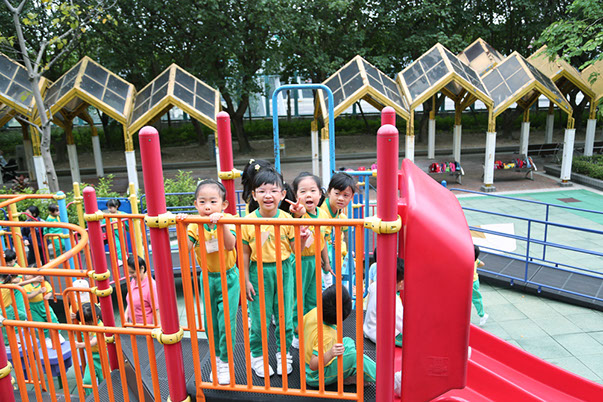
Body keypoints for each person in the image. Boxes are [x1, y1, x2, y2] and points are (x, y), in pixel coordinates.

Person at [242, 168, 309, 378]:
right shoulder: (247, 222)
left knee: (285, 317)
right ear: (254, 195)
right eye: (262, 191)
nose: (268, 195)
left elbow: (296, 249)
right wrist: (245, 279)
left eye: (273, 190)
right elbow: (244, 254)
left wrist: (302, 238)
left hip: (284, 270)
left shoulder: (288, 219)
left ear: (282, 194)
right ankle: (257, 356)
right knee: (259, 319)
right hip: (258, 271)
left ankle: (283, 353)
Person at [182, 179, 239, 385]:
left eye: (213, 202)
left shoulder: (229, 219)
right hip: (207, 278)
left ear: (224, 204)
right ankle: (216, 358)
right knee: (210, 322)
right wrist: (183, 225)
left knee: (226, 322)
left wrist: (221, 224)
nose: (207, 207)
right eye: (202, 202)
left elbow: (230, 245)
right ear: (195, 205)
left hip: (229, 277)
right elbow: (185, 249)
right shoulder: (195, 225)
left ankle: (226, 361)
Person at [289, 172, 333, 349]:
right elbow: (296, 217)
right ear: (296, 196)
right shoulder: (299, 215)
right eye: (303, 191)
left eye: (313, 190)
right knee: (297, 299)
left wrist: (326, 262)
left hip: (314, 261)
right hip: (298, 261)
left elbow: (323, 240)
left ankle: (310, 330)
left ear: (320, 194)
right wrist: (297, 214)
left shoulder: (323, 215)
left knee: (313, 299)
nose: (308, 195)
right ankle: (296, 333)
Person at [303, 285, 376, 387]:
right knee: (355, 358)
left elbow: (298, 329)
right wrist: (330, 353)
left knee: (347, 341)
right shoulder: (328, 336)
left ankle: (344, 375)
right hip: (315, 375)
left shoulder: (314, 312)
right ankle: (387, 380)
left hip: (308, 361)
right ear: (346, 316)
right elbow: (313, 365)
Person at [320, 172, 356, 288]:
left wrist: (349, 250)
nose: (341, 198)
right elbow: (322, 238)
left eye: (345, 195)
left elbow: (346, 232)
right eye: (337, 194)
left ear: (351, 197)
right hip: (322, 253)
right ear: (329, 192)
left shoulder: (338, 212)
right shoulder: (323, 211)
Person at [364, 258, 404, 347]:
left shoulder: (376, 284)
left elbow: (370, 291)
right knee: (413, 341)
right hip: (380, 335)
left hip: (368, 328)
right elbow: (402, 325)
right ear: (401, 283)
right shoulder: (393, 299)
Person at [22, 273, 65, 348]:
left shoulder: (44, 283)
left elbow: (49, 292)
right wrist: (38, 292)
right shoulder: (26, 285)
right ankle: (46, 339)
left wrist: (48, 296)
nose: (26, 276)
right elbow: (27, 297)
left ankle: (57, 334)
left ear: (35, 276)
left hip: (43, 304)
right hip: (32, 307)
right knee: (39, 322)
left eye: (28, 275)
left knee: (52, 318)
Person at [74, 303, 104, 396]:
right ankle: (91, 397)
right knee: (87, 381)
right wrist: (73, 318)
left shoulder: (100, 326)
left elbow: (93, 342)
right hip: (92, 356)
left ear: (97, 317)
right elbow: (77, 327)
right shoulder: (85, 322)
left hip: (103, 356)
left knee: (104, 380)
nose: (86, 324)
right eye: (85, 322)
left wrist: (80, 345)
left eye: (89, 322)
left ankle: (105, 397)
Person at [125, 256, 160, 327]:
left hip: (146, 328)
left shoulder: (151, 286)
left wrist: (155, 328)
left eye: (132, 272)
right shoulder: (134, 281)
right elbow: (131, 300)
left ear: (142, 268)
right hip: (136, 326)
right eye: (129, 272)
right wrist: (126, 314)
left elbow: (157, 310)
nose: (131, 275)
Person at [107, 199, 129, 265]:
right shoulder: (108, 215)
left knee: (123, 244)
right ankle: (120, 259)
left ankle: (124, 255)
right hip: (113, 231)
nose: (109, 209)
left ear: (116, 206)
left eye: (110, 208)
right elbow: (104, 223)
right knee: (117, 245)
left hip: (121, 230)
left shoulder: (120, 213)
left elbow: (128, 216)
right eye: (108, 208)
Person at [473, 245, 488, 326]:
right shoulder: (475, 260)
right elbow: (482, 264)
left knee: (476, 298)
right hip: (473, 280)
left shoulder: (469, 260)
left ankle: (483, 315)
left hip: (473, 282)